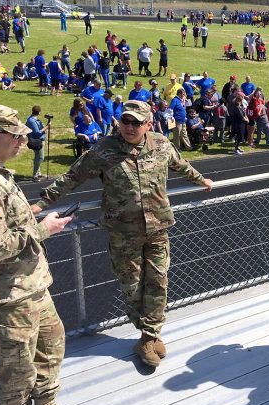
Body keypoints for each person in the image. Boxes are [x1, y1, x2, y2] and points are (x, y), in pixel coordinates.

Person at [31, 100, 213, 368]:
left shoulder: (161, 144)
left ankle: (149, 337)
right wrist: (41, 203)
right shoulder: (105, 150)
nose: (128, 127)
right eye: (125, 121)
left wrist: (201, 180)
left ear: (148, 125)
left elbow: (181, 164)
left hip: (157, 228)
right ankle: (148, 333)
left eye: (136, 123)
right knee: (132, 287)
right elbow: (73, 176)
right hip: (122, 233)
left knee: (158, 282)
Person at [0, 103, 89, 405]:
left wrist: (31, 218)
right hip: (6, 294)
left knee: (51, 343)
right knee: (18, 369)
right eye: (16, 136)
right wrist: (42, 229)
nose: (23, 141)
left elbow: (6, 222)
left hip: (28, 286)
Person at [26, 105, 50, 180]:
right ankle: (35, 175)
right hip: (37, 141)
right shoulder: (32, 121)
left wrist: (46, 125)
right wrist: (47, 127)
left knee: (37, 157)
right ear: (39, 112)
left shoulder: (31, 119)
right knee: (40, 158)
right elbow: (37, 133)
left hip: (37, 140)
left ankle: (38, 173)